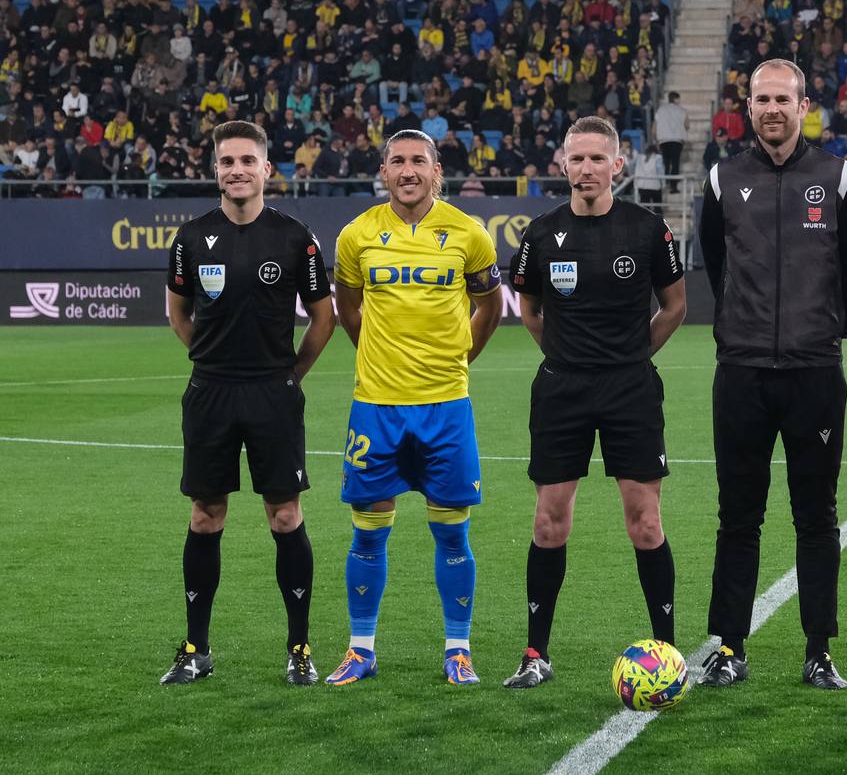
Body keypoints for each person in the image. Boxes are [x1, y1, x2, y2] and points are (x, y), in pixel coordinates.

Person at [697, 58, 847, 690]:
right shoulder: (723, 177)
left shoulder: (839, 175)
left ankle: (819, 650)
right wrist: (744, 328)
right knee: (737, 516)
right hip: (741, 371)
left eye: (783, 99)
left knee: (816, 515)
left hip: (813, 372)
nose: (772, 109)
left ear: (805, 107)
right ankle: (729, 647)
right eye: (761, 99)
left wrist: (826, 329)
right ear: (749, 108)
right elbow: (715, 261)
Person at [501, 116, 687, 689]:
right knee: (549, 522)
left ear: (617, 165)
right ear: (562, 164)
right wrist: (563, 355)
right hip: (562, 390)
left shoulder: (648, 230)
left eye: (596, 159)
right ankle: (536, 654)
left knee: (645, 523)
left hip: (630, 389)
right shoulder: (539, 234)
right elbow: (529, 309)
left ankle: (668, 653)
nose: (586, 169)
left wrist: (632, 356)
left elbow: (674, 305)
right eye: (576, 159)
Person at [325, 129, 504, 687]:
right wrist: (375, 354)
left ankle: (458, 649)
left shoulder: (468, 234)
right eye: (397, 162)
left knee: (452, 532)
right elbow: (347, 306)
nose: (408, 171)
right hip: (376, 406)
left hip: (446, 406)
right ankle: (361, 649)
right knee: (368, 532)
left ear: (436, 170)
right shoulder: (357, 236)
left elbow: (490, 305)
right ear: (383, 172)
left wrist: (460, 355)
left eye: (418, 162)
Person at [161, 120, 336, 686]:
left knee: (285, 515)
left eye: (246, 161)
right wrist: (212, 362)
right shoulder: (190, 237)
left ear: (267, 170)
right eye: (226, 161)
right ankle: (195, 648)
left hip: (272, 394)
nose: (236, 170)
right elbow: (178, 315)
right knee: (205, 515)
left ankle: (300, 648)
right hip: (210, 392)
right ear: (215, 170)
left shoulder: (295, 238)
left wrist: (290, 374)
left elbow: (324, 317)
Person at [653, 91, 689, 180]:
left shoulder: (660, 110)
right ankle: (674, 185)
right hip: (677, 140)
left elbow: (654, 126)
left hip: (663, 140)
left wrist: (655, 138)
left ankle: (665, 181)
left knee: (666, 162)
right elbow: (686, 125)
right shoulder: (682, 111)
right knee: (675, 162)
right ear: (676, 99)